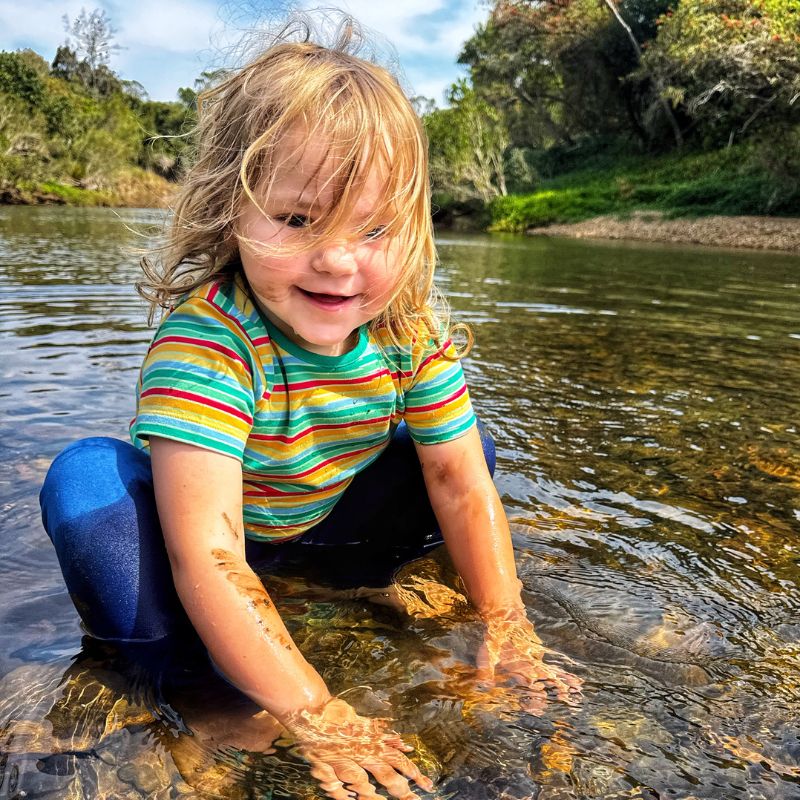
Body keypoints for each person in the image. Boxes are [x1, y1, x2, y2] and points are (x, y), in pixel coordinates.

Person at [40, 19, 581, 800]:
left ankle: (366, 589)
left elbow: (460, 485)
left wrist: (507, 620)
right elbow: (212, 555)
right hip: (200, 548)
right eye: (298, 220)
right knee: (88, 483)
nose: (337, 260)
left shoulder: (407, 329)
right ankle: (183, 684)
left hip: (327, 531)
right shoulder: (213, 344)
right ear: (235, 210)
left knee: (473, 454)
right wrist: (313, 709)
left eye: (373, 228)